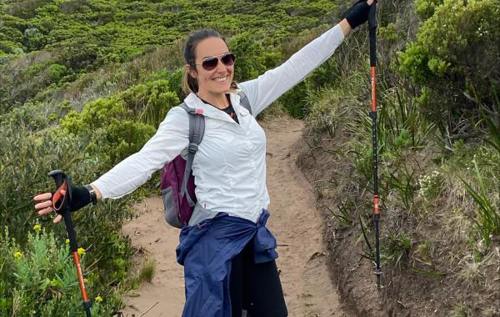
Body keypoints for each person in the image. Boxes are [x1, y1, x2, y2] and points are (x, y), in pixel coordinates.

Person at [34, 1, 376, 316]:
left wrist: (350, 20)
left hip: (255, 235)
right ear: (193, 70)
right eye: (209, 62)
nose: (221, 69)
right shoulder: (185, 118)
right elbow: (145, 160)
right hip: (213, 242)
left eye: (227, 59)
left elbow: (295, 66)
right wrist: (90, 192)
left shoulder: (244, 100)